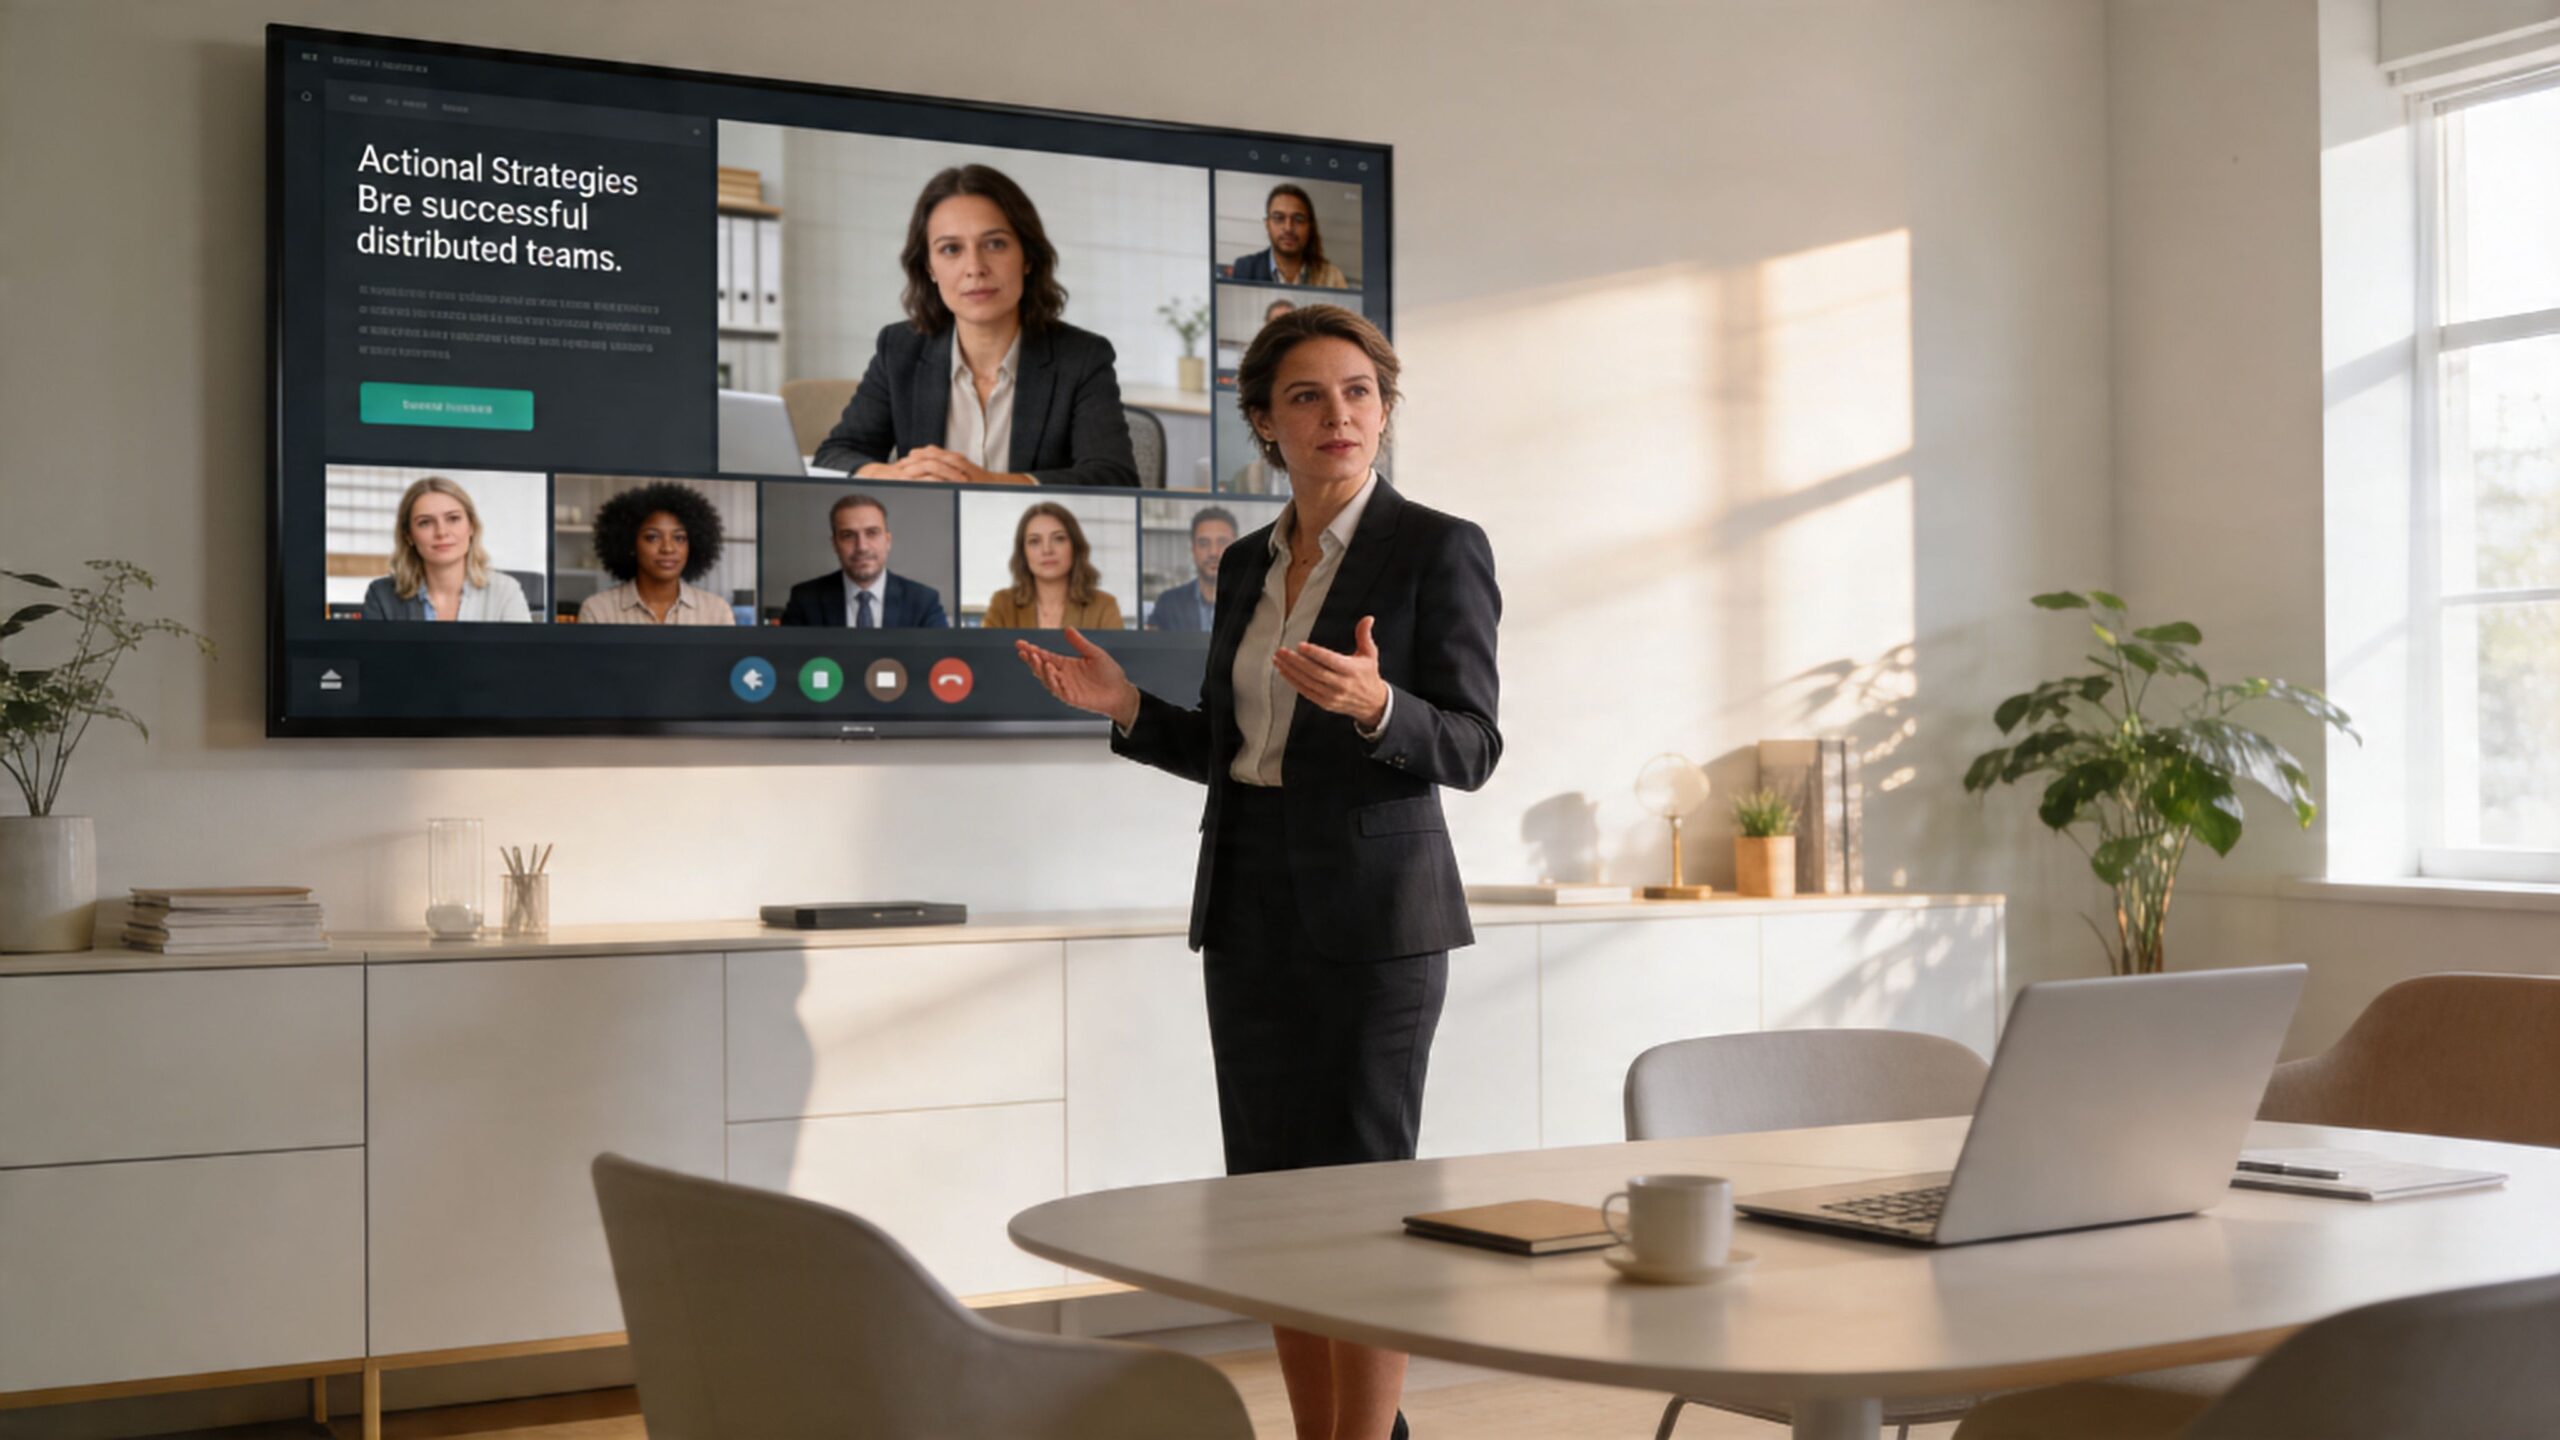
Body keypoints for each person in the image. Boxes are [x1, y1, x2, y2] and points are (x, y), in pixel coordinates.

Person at [1014, 305, 1499, 1440]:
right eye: (1307, 397)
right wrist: (1129, 709)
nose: (1339, 416)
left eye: (1359, 393)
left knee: (1363, 1205)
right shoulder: (1244, 562)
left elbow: (1472, 746)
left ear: (1383, 409)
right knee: (1269, 1208)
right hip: (1247, 907)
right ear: (1264, 426)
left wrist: (1381, 705)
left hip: (1379, 919)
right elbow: (1241, 757)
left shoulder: (1437, 546)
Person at [811, 165, 1138, 488]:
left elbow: (1114, 478)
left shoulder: (1082, 357)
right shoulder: (899, 348)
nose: (975, 268)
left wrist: (991, 483)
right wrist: (895, 475)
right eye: (951, 249)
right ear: (929, 267)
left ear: (1027, 257)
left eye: (995, 244)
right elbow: (836, 454)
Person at [361, 475, 532, 623]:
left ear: (471, 526)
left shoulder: (506, 591)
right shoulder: (381, 595)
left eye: (453, 518)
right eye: (425, 522)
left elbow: (521, 660)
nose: (441, 532)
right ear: (409, 535)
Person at [576, 481, 739, 625]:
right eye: (652, 537)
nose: (668, 548)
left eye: (679, 538)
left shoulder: (716, 612)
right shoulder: (598, 610)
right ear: (629, 543)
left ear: (693, 545)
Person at [779, 493, 948, 628]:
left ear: (887, 541)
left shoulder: (924, 601)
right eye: (848, 535)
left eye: (872, 533)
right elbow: (788, 664)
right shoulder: (805, 599)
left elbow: (940, 663)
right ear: (835, 544)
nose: (862, 547)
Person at [982, 501, 1122, 630]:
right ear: (1023, 552)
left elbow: (1116, 657)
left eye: (1058, 539)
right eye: (1035, 541)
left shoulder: (1104, 606)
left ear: (1075, 546)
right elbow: (984, 656)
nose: (1047, 550)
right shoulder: (1002, 604)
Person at [1229, 184, 1349, 289]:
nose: (1288, 227)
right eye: (1279, 218)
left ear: (1310, 226)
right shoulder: (1245, 268)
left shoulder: (1332, 276)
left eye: (1298, 219)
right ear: (1267, 224)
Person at [1146, 505, 1237, 633]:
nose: (1213, 552)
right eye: (1204, 543)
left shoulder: (1256, 603)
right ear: (1193, 550)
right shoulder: (1168, 603)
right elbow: (1151, 649)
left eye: (1222, 542)